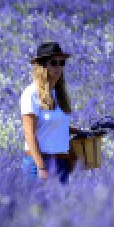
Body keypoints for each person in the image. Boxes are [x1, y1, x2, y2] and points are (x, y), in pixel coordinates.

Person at [21, 41, 78, 183]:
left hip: (61, 163)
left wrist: (78, 132)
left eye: (62, 63)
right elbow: (29, 133)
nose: (58, 67)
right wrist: (41, 167)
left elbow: (53, 125)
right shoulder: (31, 93)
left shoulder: (58, 95)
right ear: (42, 66)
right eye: (53, 63)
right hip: (39, 163)